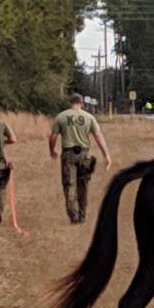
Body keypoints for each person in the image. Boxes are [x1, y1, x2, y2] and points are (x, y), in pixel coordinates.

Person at [49, 93, 111, 223]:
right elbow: (98, 136)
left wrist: (52, 150)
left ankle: (74, 215)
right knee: (83, 185)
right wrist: (106, 155)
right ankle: (82, 214)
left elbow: (53, 136)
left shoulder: (61, 116)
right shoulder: (89, 117)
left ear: (69, 103)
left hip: (68, 154)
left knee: (69, 185)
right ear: (82, 103)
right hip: (84, 154)